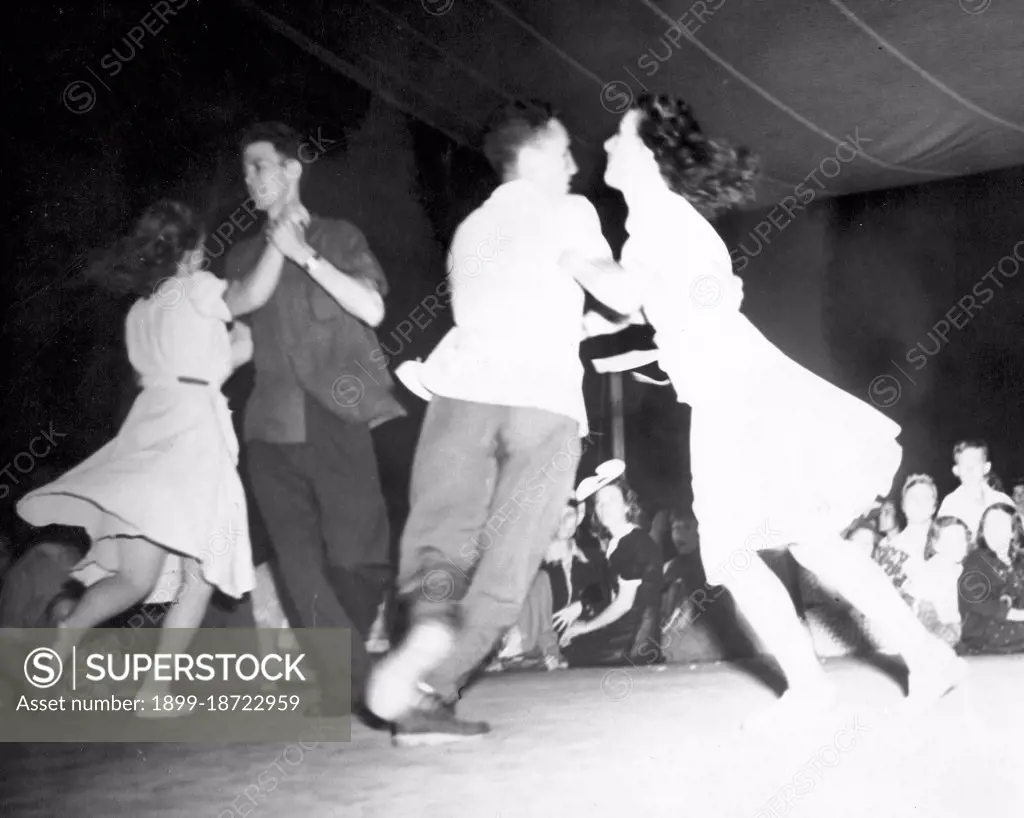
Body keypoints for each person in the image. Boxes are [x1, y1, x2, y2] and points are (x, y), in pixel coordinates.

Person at [598, 94, 965, 717]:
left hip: (733, 399)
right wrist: (605, 325)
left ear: (650, 155)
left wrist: (570, 259)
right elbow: (655, 303)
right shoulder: (675, 220)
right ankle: (924, 658)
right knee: (812, 542)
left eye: (619, 138)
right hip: (747, 389)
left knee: (735, 554)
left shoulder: (654, 218)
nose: (606, 146)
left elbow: (626, 288)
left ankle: (811, 686)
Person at [366, 101, 641, 745]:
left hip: (461, 392)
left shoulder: (470, 229)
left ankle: (430, 625)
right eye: (566, 149)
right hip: (542, 406)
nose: (577, 164)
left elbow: (515, 305)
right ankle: (435, 684)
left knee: (442, 535)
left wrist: (587, 323)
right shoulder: (570, 210)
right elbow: (616, 289)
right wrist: (632, 292)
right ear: (535, 154)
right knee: (509, 562)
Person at [16, 200, 255, 707]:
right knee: (200, 573)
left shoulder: (141, 313)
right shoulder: (200, 288)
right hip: (190, 445)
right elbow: (248, 297)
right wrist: (279, 248)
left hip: (148, 443)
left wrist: (233, 350)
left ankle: (54, 649)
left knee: (133, 578)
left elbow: (194, 371)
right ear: (189, 251)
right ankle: (156, 691)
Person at [224, 122, 406, 715]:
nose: (249, 179)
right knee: (296, 562)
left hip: (337, 418)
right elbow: (241, 328)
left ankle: (338, 665)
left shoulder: (338, 235)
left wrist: (304, 254)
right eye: (245, 169)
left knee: (363, 557)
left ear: (292, 168)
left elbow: (372, 308)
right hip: (269, 430)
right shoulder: (244, 255)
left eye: (259, 165)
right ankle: (351, 682)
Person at [560, 478, 664, 667]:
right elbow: (608, 588)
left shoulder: (634, 544)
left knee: (571, 659)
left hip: (636, 636)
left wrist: (584, 627)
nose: (603, 507)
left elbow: (623, 603)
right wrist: (581, 605)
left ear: (627, 506)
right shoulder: (618, 541)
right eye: (599, 502)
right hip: (626, 626)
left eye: (611, 501)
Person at [958, 502, 1024, 654]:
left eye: (1000, 525)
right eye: (988, 525)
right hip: (985, 637)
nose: (993, 531)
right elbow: (980, 603)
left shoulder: (1020, 560)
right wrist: (1020, 615)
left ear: (1014, 531)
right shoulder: (975, 561)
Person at [907, 516, 971, 647]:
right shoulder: (929, 570)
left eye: (962, 540)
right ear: (936, 545)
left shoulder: (963, 570)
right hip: (934, 624)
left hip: (959, 624)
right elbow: (920, 607)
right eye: (951, 541)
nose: (958, 545)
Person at [937, 440, 1013, 542]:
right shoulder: (950, 505)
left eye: (975, 463)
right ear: (956, 470)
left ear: (987, 467)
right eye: (964, 464)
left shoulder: (1003, 501)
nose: (970, 469)